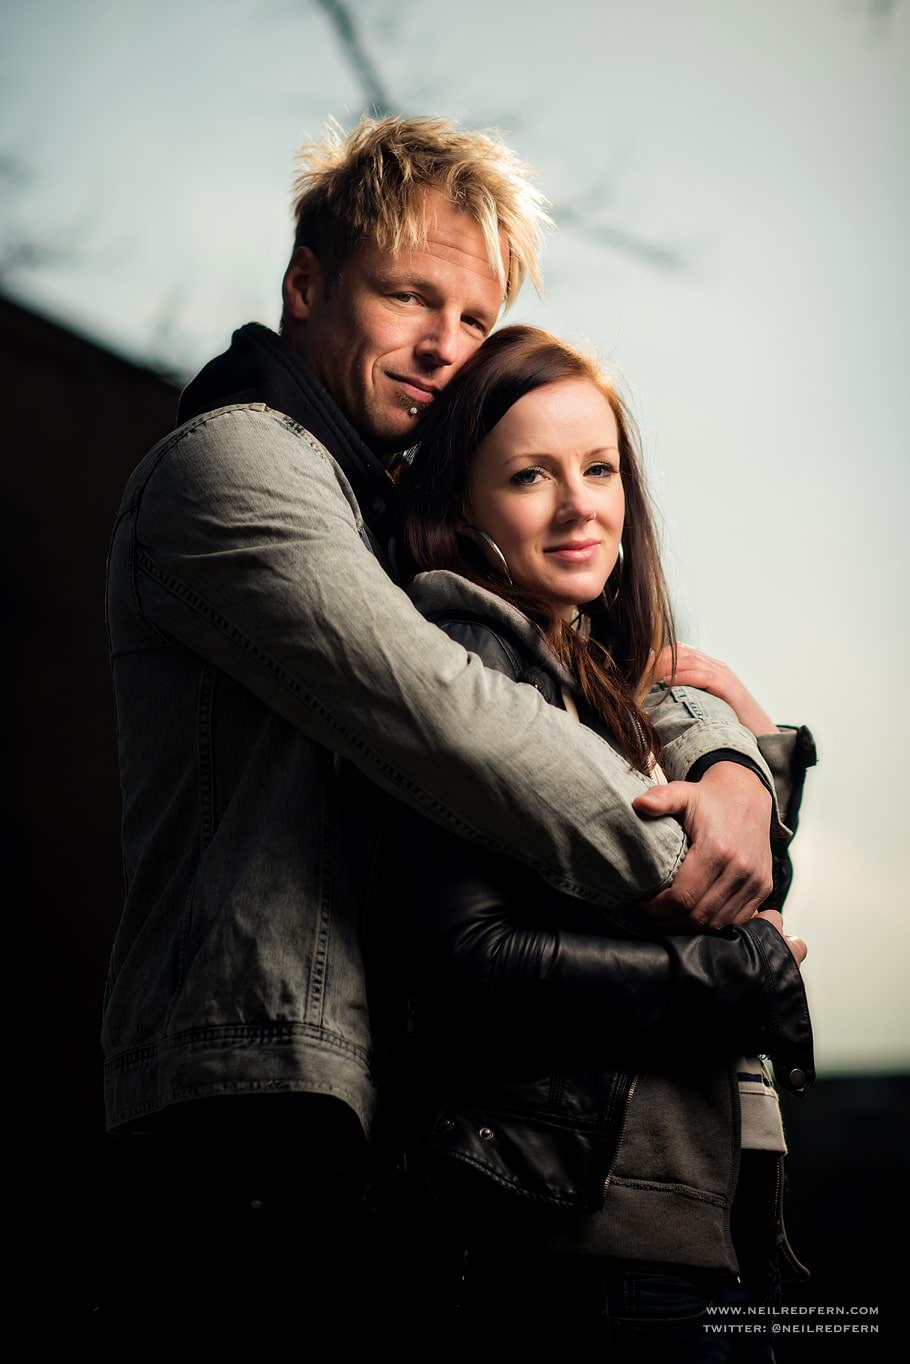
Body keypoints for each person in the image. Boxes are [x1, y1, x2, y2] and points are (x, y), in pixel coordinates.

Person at [100, 116, 796, 1335]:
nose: (445, 347)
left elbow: (618, 665)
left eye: (474, 319)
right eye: (408, 296)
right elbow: (449, 715)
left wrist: (723, 752)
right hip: (258, 1104)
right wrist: (707, 869)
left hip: (381, 1118)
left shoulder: (384, 500)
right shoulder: (235, 466)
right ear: (307, 284)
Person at [388, 324, 816, 1355]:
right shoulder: (466, 665)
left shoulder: (609, 683)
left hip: (703, 1235)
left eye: (598, 467)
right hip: (586, 1249)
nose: (581, 503)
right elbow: (468, 958)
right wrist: (727, 977)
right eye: (531, 476)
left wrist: (751, 753)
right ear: (461, 509)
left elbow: (747, 885)